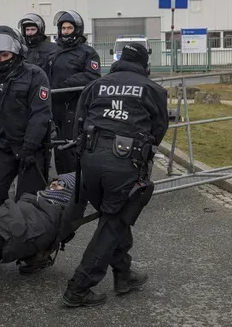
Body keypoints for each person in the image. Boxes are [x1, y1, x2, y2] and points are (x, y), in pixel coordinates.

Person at [61, 43, 168, 307]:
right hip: (124, 162)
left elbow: (79, 122)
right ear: (145, 65)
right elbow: (159, 129)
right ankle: (79, 287)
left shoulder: (96, 85)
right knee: (113, 222)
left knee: (113, 218)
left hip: (90, 160)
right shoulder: (153, 89)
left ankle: (124, 274)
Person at [0, 26, 52, 209]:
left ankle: (31, 236)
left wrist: (29, 146)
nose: (1, 61)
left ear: (16, 52)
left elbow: (40, 113)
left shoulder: (35, 75)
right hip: (3, 147)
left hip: (31, 149)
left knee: (29, 202)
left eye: (5, 56)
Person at [0, 173, 77, 274]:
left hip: (3, 238)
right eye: (55, 180)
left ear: (68, 192)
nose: (54, 183)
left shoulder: (54, 213)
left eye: (61, 183)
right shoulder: (35, 199)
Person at [48, 10, 101, 175]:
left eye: (69, 28)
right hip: (54, 105)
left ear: (77, 29)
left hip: (75, 106)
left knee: (71, 147)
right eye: (63, 28)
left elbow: (92, 76)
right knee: (58, 148)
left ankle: (75, 187)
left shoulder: (87, 52)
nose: (65, 31)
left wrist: (67, 84)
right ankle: (62, 185)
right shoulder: (53, 51)